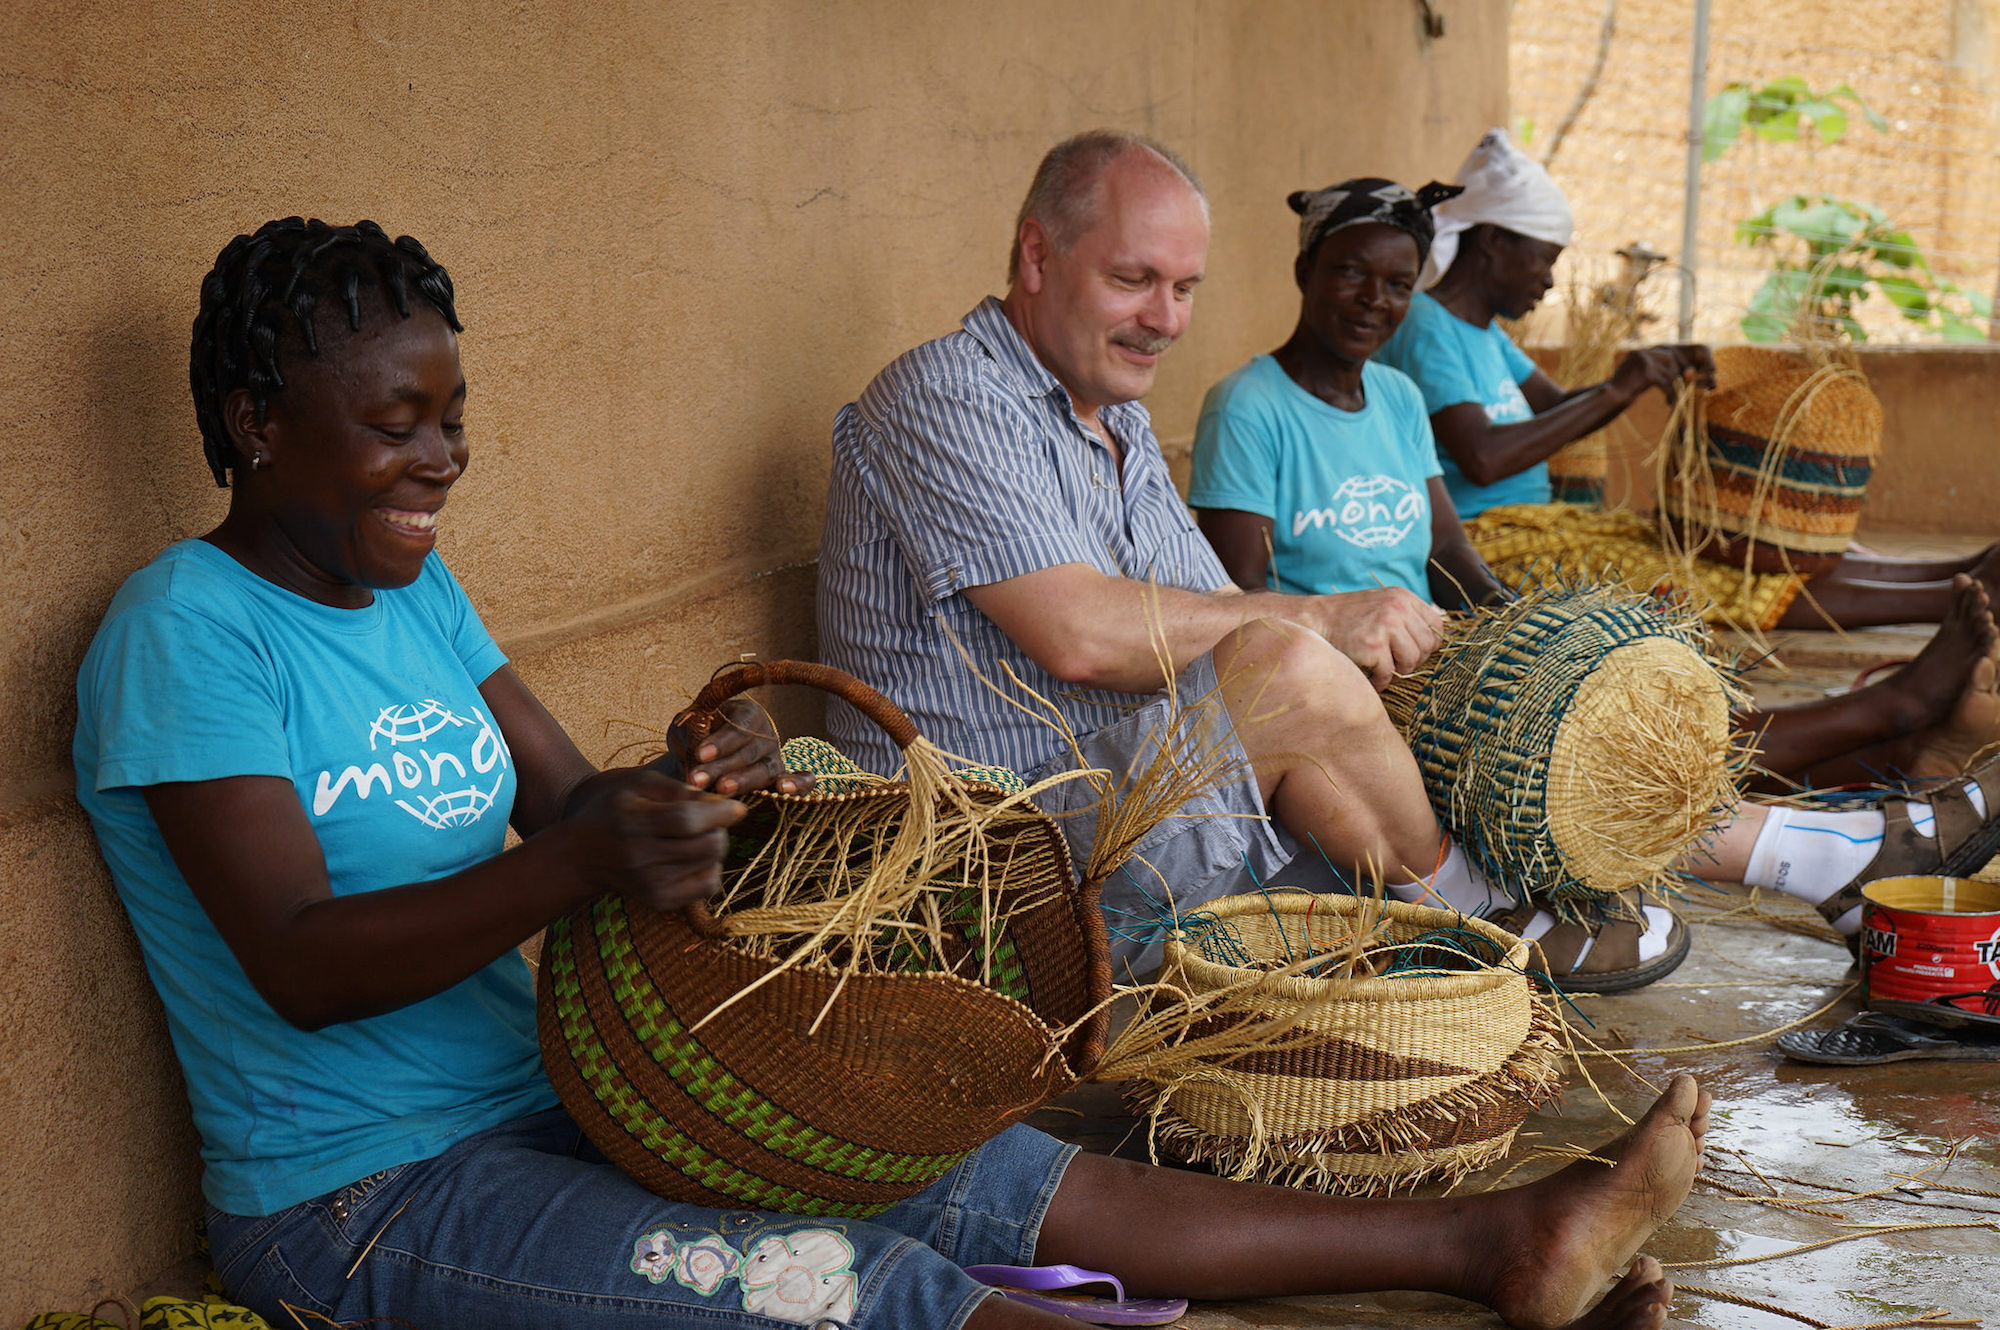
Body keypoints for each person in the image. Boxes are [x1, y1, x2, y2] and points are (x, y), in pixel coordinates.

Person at [74, 215, 1713, 1330]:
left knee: (965, 1164)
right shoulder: (186, 637)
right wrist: (584, 863)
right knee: (872, 1293)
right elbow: (296, 965)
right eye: (393, 425)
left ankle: (1494, 1239)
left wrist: (684, 787)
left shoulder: (412, 589)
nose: (442, 459)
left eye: (451, 416)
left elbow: (564, 807)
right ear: (251, 419)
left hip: (562, 1091)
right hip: (360, 1198)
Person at [815, 131, 2000, 991]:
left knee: (1478, 696)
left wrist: (1401, 647)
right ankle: (1499, 920)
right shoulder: (943, 396)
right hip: (1010, 848)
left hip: (1137, 784)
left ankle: (1805, 852)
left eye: (1182, 289)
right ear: (1033, 254)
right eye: (1132, 280)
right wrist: (1324, 623)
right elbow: (1080, 631)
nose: (1164, 321)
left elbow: (1210, 610)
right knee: (1293, 665)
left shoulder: (1112, 424)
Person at [1192, 177, 2000, 793]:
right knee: (1604, 752)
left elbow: (1444, 546)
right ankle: (1888, 714)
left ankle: (1891, 747)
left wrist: (1539, 631)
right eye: (1350, 274)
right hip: (1353, 684)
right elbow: (1244, 602)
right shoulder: (1248, 407)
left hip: (1438, 650)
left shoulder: (1397, 398)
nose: (1375, 301)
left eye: (1398, 284)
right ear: (1304, 269)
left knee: (1628, 693)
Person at [1377, 128, 2000, 639]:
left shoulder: (1483, 335)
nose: (1548, 282)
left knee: (1724, 542)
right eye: (1544, 259)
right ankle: (1953, 600)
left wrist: (1646, 370)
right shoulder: (1428, 330)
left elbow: (1560, 411)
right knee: (1703, 573)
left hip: (1542, 523)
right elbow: (1483, 458)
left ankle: (1958, 574)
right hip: (1488, 544)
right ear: (1492, 243)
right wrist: (1621, 388)